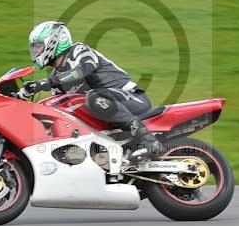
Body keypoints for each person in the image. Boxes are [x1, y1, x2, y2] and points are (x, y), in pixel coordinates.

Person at [20, 20, 162, 162]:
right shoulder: (56, 77)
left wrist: (44, 84)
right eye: (34, 48)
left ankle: (149, 140)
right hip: (107, 112)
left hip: (132, 97)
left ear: (54, 41)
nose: (36, 51)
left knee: (94, 96)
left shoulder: (78, 51)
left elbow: (83, 70)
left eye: (38, 47)